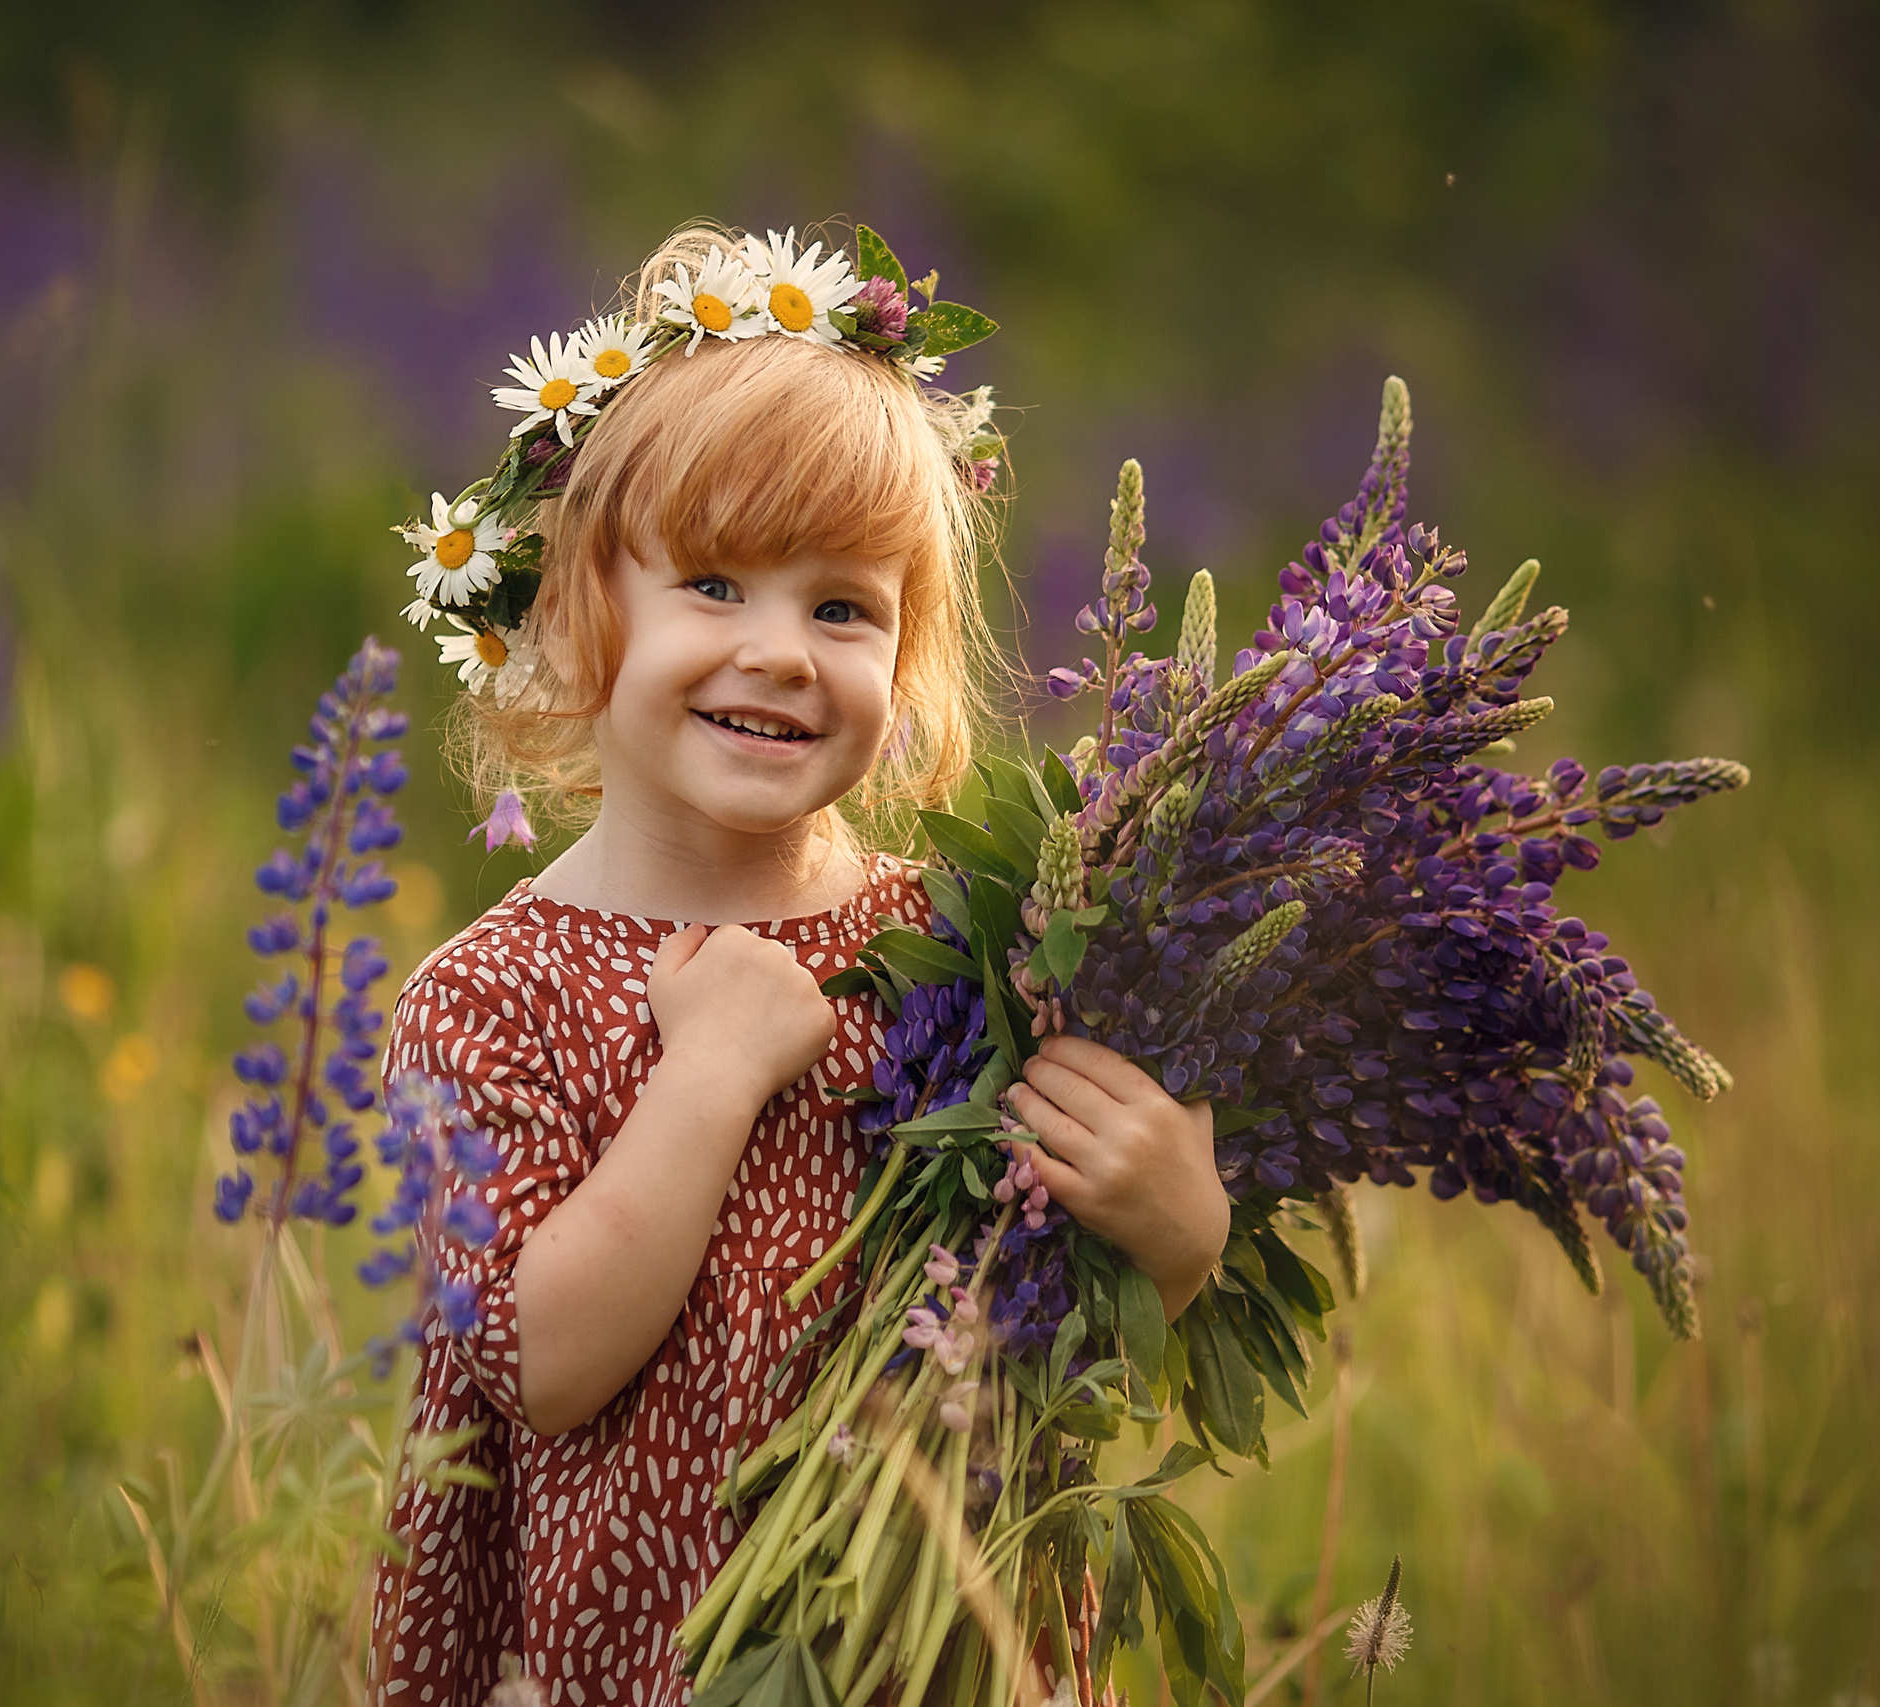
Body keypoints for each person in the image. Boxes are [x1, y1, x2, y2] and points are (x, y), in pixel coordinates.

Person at [367, 223, 1233, 1706]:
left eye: (842, 608)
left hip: (943, 1650)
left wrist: (1177, 1232)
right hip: (632, 1660)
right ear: (582, 616)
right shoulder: (486, 998)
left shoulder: (972, 946)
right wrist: (706, 1072)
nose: (781, 651)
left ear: (903, 670)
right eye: (713, 584)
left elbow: (1066, 1321)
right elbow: (538, 1360)